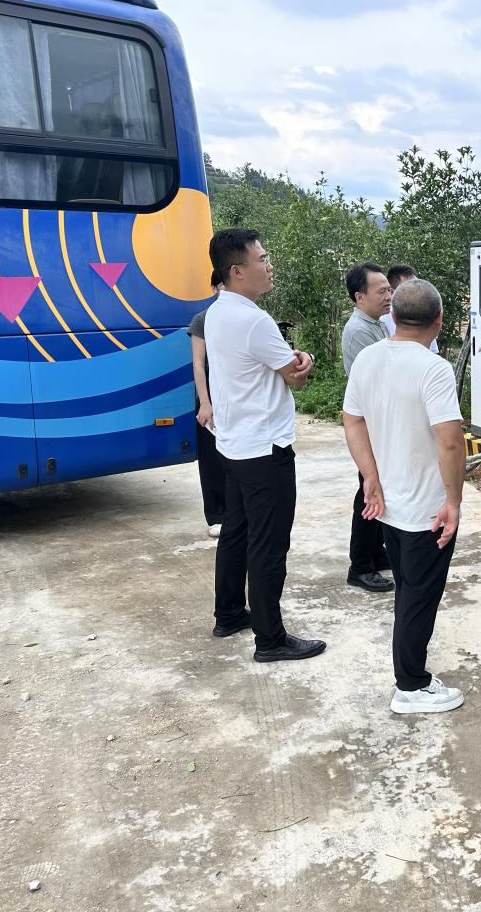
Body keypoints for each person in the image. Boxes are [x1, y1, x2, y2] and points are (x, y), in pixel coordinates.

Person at [342, 279, 467, 714]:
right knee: (419, 596)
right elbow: (450, 441)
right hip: (426, 509)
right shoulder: (434, 368)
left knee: (408, 591)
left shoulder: (368, 359)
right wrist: (454, 501)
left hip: (389, 504)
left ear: (393, 316)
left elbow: (352, 420)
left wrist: (370, 477)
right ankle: (411, 686)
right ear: (440, 321)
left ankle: (409, 674)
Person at [204, 228, 326, 663]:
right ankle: (270, 639)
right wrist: (307, 358)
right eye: (262, 259)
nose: (269, 265)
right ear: (237, 271)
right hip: (264, 447)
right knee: (269, 544)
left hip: (234, 443)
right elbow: (295, 375)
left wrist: (292, 362)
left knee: (236, 532)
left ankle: (229, 613)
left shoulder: (217, 311)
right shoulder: (255, 320)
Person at [341, 262, 395, 594]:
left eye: (389, 290)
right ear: (360, 296)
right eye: (381, 291)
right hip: (371, 424)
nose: (389, 296)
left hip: (378, 422)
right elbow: (379, 382)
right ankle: (360, 566)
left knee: (377, 487)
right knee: (369, 490)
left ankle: (374, 552)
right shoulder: (360, 331)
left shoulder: (376, 324)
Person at [189, 289, 225, 538]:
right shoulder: (202, 319)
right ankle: (217, 515)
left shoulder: (250, 315)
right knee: (212, 457)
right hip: (211, 391)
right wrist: (205, 402)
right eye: (221, 284)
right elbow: (198, 364)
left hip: (236, 390)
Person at [380, 264, 438, 354]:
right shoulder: (382, 322)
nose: (416, 293)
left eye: (418, 287)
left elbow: (433, 353)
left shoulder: (425, 316)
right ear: (392, 292)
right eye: (409, 290)